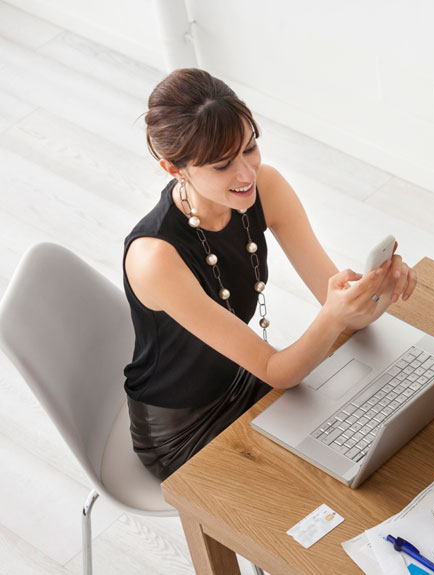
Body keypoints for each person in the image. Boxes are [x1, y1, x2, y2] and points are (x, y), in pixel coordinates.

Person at [123, 68, 416, 480]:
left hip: (247, 379)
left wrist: (380, 285)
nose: (246, 174)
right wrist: (333, 315)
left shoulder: (267, 186)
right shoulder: (155, 257)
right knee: (327, 484)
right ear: (175, 169)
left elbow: (347, 314)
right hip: (183, 429)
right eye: (223, 165)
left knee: (376, 442)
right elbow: (279, 371)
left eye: (250, 148)